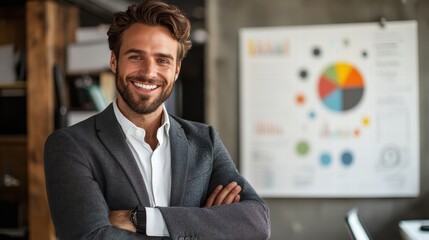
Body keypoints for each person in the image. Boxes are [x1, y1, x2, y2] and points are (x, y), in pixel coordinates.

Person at [44, 0, 270, 239]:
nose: (149, 72)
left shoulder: (205, 141)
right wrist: (200, 226)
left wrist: (143, 219)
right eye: (136, 56)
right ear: (114, 61)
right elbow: (90, 237)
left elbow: (256, 223)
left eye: (163, 60)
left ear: (176, 69)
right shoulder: (71, 146)